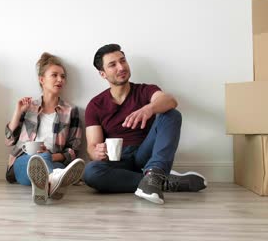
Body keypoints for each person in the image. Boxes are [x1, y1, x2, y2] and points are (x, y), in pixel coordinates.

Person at [83, 44, 206, 204]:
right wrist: (97, 152)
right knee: (91, 173)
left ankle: (154, 173)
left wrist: (150, 108)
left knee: (171, 114)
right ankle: (160, 181)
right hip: (118, 161)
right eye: (113, 65)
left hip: (145, 154)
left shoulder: (144, 90)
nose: (121, 67)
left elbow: (170, 101)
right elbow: (92, 147)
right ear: (102, 73)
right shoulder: (95, 105)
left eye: (123, 61)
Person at [4, 52, 85, 205]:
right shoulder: (29, 108)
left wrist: (50, 156)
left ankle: (44, 186)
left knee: (45, 159)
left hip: (54, 160)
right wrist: (18, 111)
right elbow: (9, 141)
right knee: (38, 160)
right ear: (42, 80)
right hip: (24, 162)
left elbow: (74, 150)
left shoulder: (71, 111)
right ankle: (54, 182)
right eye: (54, 75)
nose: (60, 79)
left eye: (62, 76)